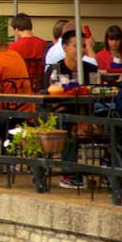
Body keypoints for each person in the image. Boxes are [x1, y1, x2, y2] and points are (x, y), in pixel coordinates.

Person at [44, 29, 99, 190]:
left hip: (88, 115)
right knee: (67, 126)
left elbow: (96, 95)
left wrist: (87, 119)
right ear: (65, 47)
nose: (81, 50)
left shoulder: (90, 69)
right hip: (60, 115)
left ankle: (112, 173)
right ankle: (68, 174)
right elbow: (50, 100)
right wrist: (77, 121)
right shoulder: (55, 70)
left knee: (112, 124)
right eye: (76, 46)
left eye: (83, 46)